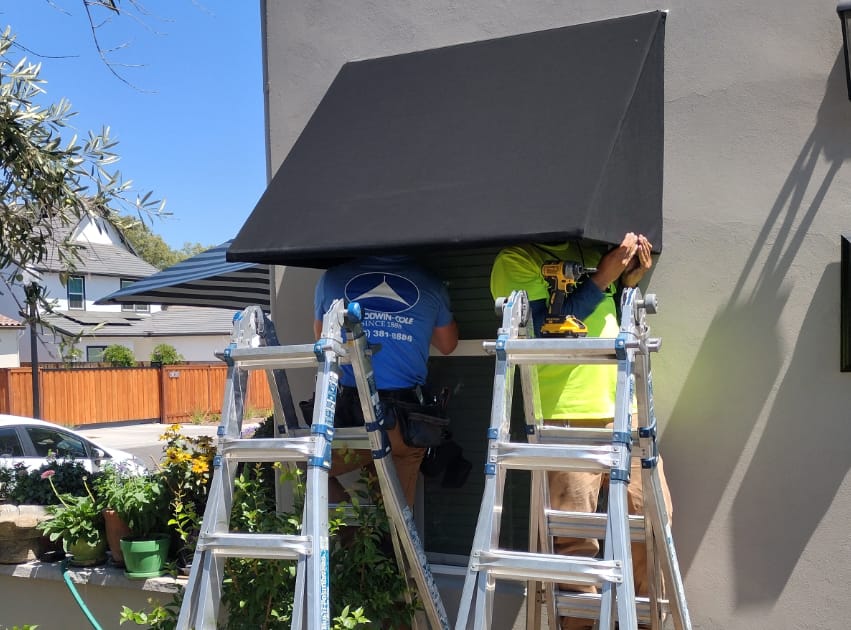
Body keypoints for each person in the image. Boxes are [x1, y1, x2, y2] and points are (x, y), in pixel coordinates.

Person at [489, 233, 672, 630]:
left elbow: (612, 323)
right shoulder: (517, 258)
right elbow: (542, 329)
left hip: (626, 409)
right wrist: (603, 279)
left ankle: (646, 622)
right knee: (573, 541)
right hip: (565, 414)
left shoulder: (592, 252)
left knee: (653, 525)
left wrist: (627, 285)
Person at [314, 254, 459, 507]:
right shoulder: (430, 282)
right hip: (406, 423)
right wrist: (413, 328)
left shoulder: (332, 279)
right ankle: (377, 540)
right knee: (395, 516)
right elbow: (447, 344)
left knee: (308, 466)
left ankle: (352, 537)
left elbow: (322, 340)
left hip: (353, 421)